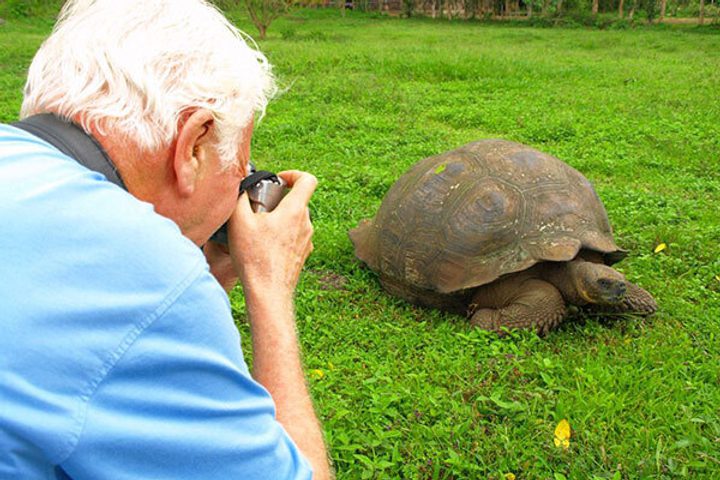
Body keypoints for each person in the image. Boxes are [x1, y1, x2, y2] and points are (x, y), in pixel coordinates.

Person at [0, 1, 332, 479]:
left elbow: (129, 379)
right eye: (240, 162)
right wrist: (270, 286)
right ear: (193, 145)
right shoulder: (140, 269)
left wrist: (209, 279)